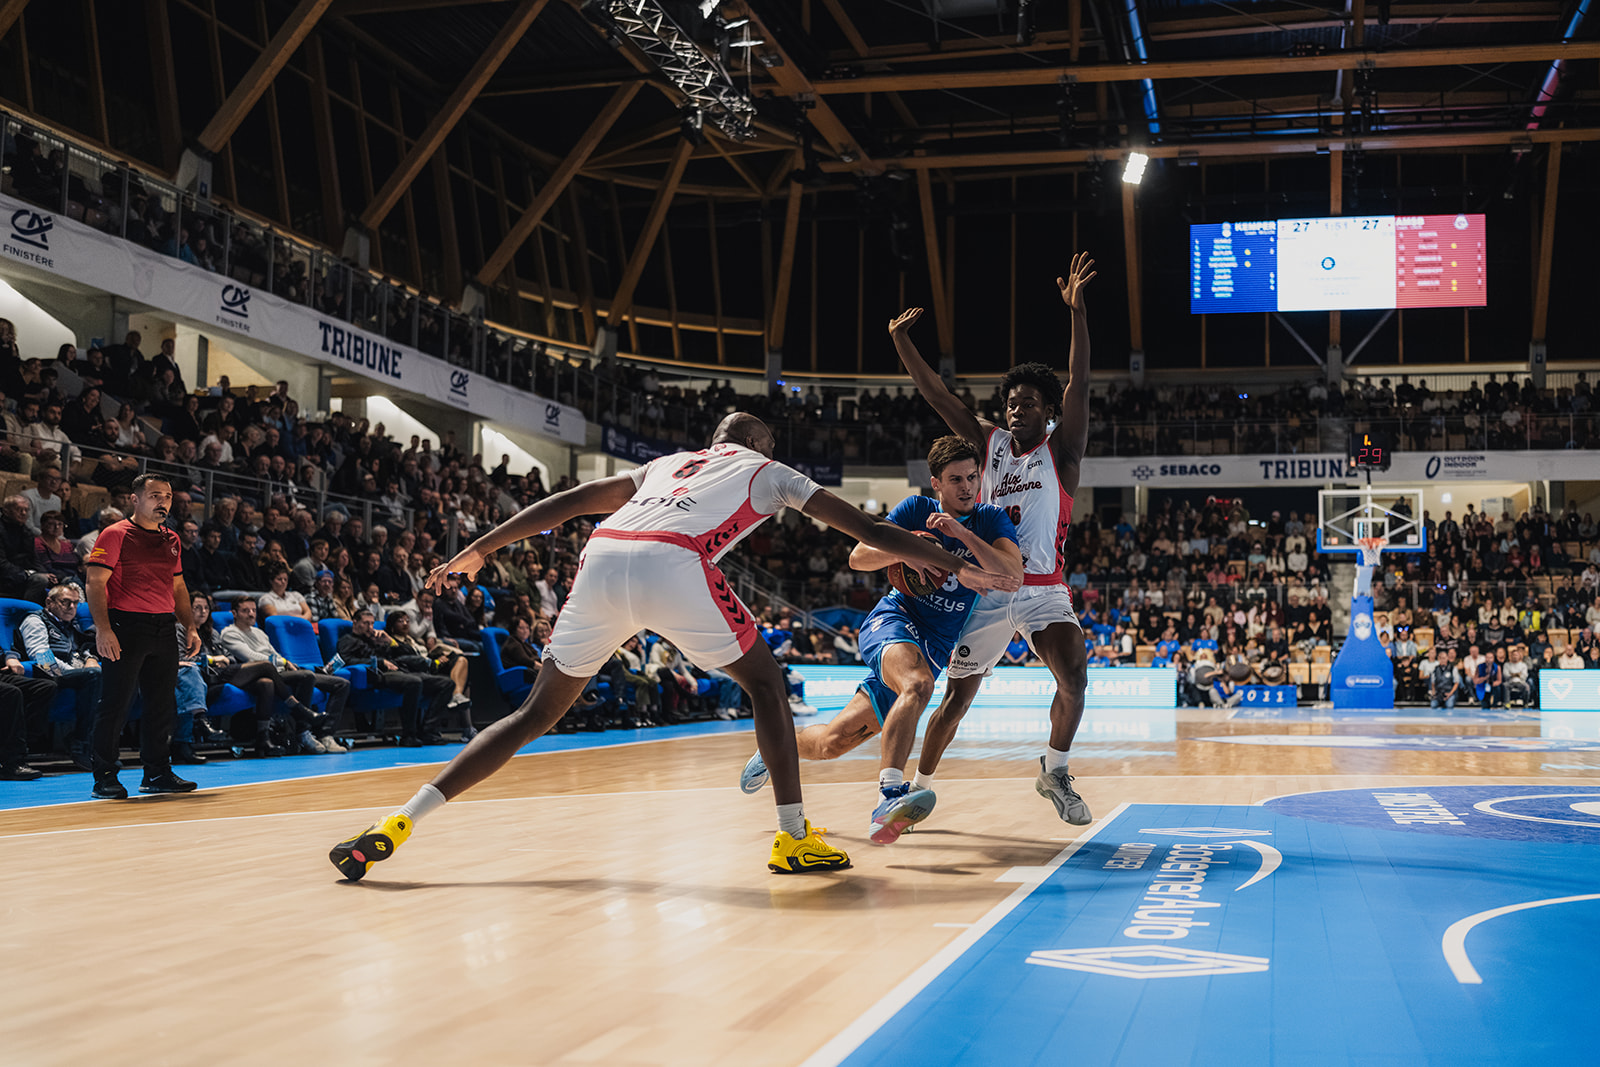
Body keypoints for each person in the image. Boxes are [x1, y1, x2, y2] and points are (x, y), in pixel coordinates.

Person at [328, 412, 1018, 881]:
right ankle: (791, 835)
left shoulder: (668, 462)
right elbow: (861, 525)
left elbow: (571, 501)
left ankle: (400, 821)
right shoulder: (772, 472)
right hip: (674, 563)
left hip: (601, 559)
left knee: (532, 716)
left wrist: (482, 545)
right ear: (764, 445)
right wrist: (955, 564)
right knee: (768, 686)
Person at [885, 253, 1098, 827]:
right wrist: (903, 344)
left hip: (1043, 588)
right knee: (956, 699)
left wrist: (1076, 313)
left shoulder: (1063, 451)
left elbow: (1080, 380)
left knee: (1074, 675)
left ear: (1048, 411)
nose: (1015, 408)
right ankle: (917, 790)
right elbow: (938, 397)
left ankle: (1054, 770)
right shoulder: (990, 445)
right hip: (986, 587)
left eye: (1027, 402)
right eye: (1010, 401)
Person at [737, 435, 1021, 844]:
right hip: (893, 620)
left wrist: (961, 535)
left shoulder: (990, 520)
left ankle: (771, 749)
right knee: (918, 684)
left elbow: (1011, 575)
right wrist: (905, 552)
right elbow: (858, 557)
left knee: (833, 743)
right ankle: (890, 796)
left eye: (973, 477)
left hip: (935, 646)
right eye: (955, 479)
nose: (967, 487)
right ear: (936, 483)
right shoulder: (915, 510)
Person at [84, 474, 200, 799]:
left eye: (167, 496)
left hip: (163, 628)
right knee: (115, 705)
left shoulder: (172, 538)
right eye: (154, 495)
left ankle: (157, 773)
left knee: (162, 705)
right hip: (125, 627)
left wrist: (189, 626)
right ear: (135, 499)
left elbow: (177, 586)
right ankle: (104, 776)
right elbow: (94, 583)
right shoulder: (115, 533)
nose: (162, 501)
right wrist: (103, 629)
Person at [218, 596, 349, 754]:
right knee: (306, 676)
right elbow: (251, 657)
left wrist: (287, 662)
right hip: (260, 675)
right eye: (246, 611)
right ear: (234, 613)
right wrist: (283, 663)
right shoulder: (229, 633)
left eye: (253, 610)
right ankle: (303, 732)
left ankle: (326, 735)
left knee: (341, 683)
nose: (251, 614)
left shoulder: (259, 633)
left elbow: (275, 654)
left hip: (281, 672)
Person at [336, 609, 453, 746]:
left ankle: (428, 730)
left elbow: (405, 654)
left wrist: (389, 642)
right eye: (366, 623)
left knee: (446, 683)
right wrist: (380, 662)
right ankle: (409, 735)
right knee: (414, 682)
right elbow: (344, 660)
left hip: (400, 671)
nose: (370, 627)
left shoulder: (376, 638)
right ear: (355, 622)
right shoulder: (348, 640)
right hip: (378, 675)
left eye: (372, 623)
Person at [18, 584, 103, 770]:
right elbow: (39, 655)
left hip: (76, 673)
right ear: (49, 602)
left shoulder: (71, 625)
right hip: (48, 675)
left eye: (75, 603)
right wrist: (72, 671)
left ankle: (98, 745)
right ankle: (80, 743)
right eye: (66, 602)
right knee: (94, 675)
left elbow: (84, 646)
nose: (72, 607)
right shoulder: (35, 620)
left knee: (113, 675)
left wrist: (90, 658)